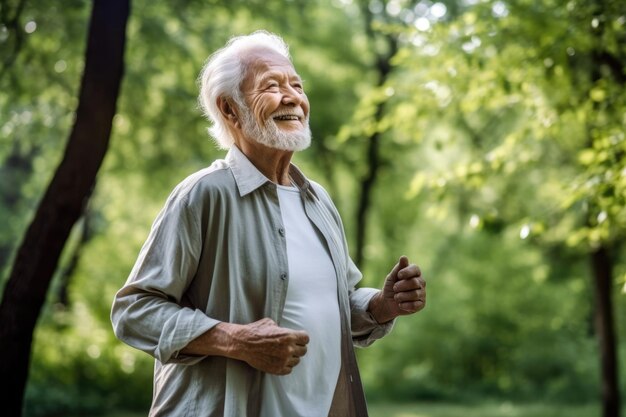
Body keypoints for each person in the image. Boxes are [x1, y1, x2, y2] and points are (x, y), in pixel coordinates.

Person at [111, 31, 426, 417]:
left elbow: (336, 304)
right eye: (271, 86)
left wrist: (381, 305)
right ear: (230, 109)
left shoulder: (319, 200)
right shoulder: (204, 195)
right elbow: (133, 312)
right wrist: (234, 340)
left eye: (296, 84)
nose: (292, 97)